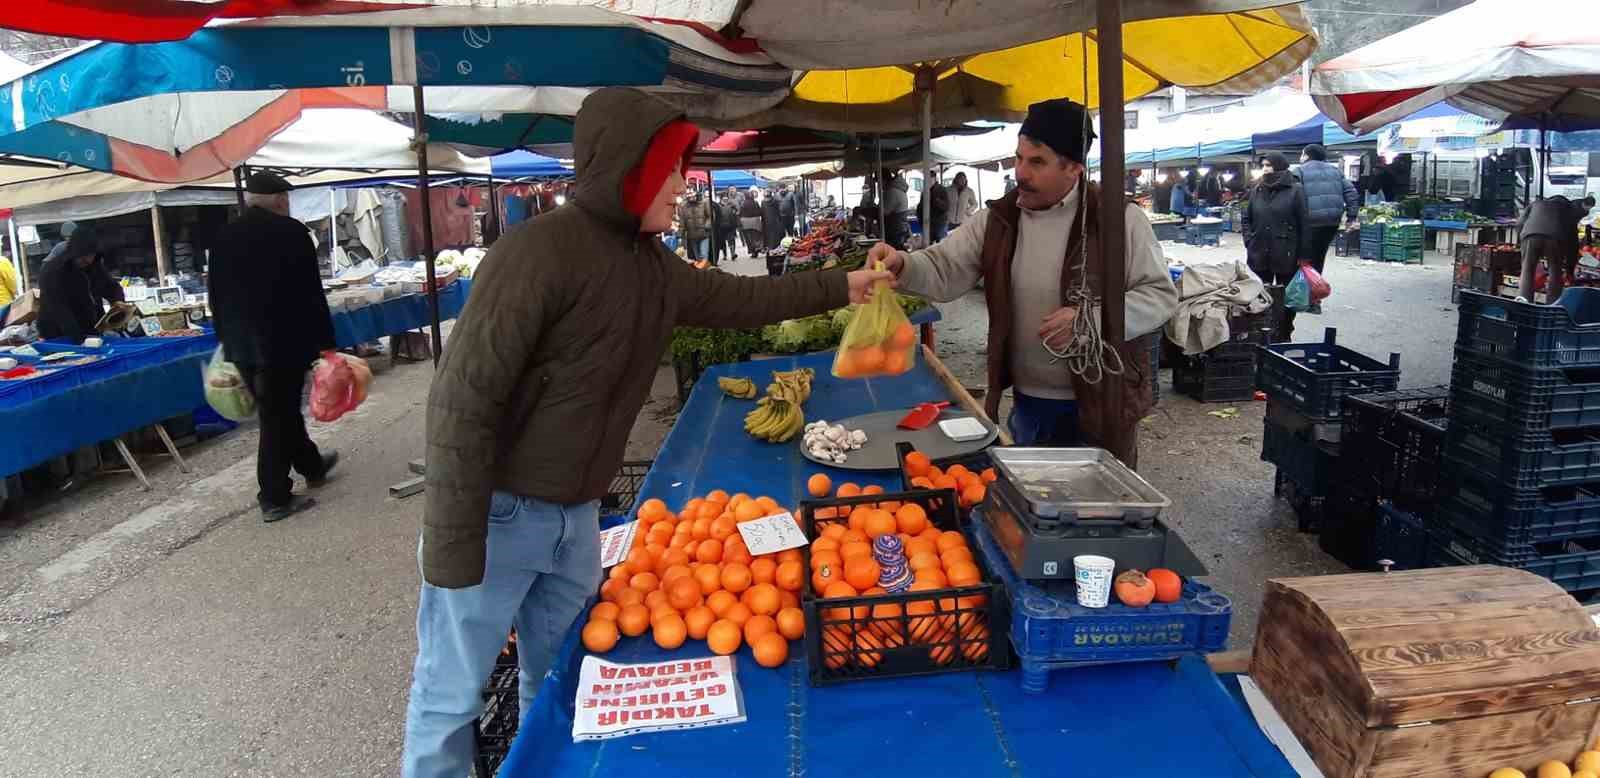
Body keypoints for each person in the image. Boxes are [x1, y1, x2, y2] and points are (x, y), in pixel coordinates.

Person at [401, 87, 894, 777]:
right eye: (668, 169)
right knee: (450, 695)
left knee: (559, 683)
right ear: (626, 170)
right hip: (500, 515)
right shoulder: (534, 253)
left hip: (577, 519)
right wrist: (454, 546)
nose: (682, 185)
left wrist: (844, 286)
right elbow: (462, 400)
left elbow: (741, 298)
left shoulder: (651, 264)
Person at [866, 97, 1177, 466]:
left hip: (1103, 401)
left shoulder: (1118, 219)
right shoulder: (999, 219)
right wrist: (903, 265)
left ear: (1073, 168)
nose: (1021, 172)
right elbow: (944, 267)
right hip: (1029, 403)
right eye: (1019, 158)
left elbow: (1159, 295)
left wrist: (1090, 321)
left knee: (1100, 500)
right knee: (1032, 496)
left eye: (1037, 162)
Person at [207, 172, 338, 521]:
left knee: (280, 411)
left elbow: (215, 295)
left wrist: (225, 338)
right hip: (282, 341)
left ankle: (311, 464)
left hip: (241, 344)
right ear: (280, 200)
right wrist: (326, 344)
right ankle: (274, 496)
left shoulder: (224, 236)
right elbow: (310, 293)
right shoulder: (292, 232)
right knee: (276, 416)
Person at [1243, 153, 1312, 342]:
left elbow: (1305, 224)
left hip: (1286, 251)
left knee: (1285, 297)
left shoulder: (1296, 190)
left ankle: (1283, 332)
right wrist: (1249, 239)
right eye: (1264, 165)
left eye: (1269, 165)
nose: (1265, 169)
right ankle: (1261, 332)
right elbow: (1247, 218)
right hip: (1259, 249)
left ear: (1280, 166)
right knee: (1259, 293)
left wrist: (1304, 255)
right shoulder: (1257, 189)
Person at [36, 225, 124, 342]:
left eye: (91, 255)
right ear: (73, 252)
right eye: (83, 256)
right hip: (58, 334)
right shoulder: (53, 271)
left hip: (91, 329)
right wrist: (79, 339)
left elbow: (111, 287)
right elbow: (59, 310)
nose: (88, 260)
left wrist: (118, 302)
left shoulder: (94, 267)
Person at [1295, 144, 1358, 274]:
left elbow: (1294, 195)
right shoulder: (1336, 171)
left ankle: (1305, 284)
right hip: (1332, 221)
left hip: (1309, 222)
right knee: (1320, 254)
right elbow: (1351, 193)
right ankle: (1316, 280)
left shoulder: (1299, 171)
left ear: (1306, 155)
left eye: (1302, 154)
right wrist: (1351, 217)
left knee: (1304, 256)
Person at [1519, 194, 1596, 302]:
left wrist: (1522, 240)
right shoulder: (1567, 210)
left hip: (1529, 235)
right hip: (1555, 238)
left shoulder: (1536, 204)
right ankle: (1552, 305)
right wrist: (1569, 270)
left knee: (1527, 269)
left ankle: (1523, 303)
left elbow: (1520, 223)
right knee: (1555, 271)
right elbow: (1573, 243)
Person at [676, 188, 712, 261]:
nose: (690, 195)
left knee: (703, 254)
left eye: (692, 193)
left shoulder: (704, 203)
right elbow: (682, 223)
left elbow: (710, 216)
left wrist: (707, 225)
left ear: (696, 193)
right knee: (697, 258)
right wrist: (680, 235)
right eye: (688, 194)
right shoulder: (684, 207)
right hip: (692, 236)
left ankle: (704, 266)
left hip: (704, 234)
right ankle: (701, 266)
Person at [882, 170, 911, 249]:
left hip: (895, 231)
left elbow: (885, 212)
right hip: (900, 228)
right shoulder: (897, 189)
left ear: (884, 180)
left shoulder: (892, 192)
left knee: (895, 251)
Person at [715, 188, 740, 261]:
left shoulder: (732, 205)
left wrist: (735, 214)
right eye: (724, 197)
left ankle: (733, 254)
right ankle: (725, 255)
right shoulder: (718, 206)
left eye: (726, 197)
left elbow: (737, 212)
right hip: (721, 226)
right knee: (722, 242)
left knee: (731, 240)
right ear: (721, 198)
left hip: (731, 226)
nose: (725, 198)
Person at [926, 173, 951, 243]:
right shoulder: (925, 190)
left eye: (930, 178)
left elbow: (946, 206)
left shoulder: (942, 189)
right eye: (926, 178)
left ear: (934, 178)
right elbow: (921, 206)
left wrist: (938, 201)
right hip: (929, 223)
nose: (928, 180)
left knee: (941, 243)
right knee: (930, 244)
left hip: (940, 223)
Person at [739, 187, 764, 254]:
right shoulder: (755, 202)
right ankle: (758, 247)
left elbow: (740, 213)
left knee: (748, 239)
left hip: (745, 223)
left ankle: (752, 251)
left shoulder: (743, 203)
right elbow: (760, 212)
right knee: (756, 237)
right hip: (755, 222)